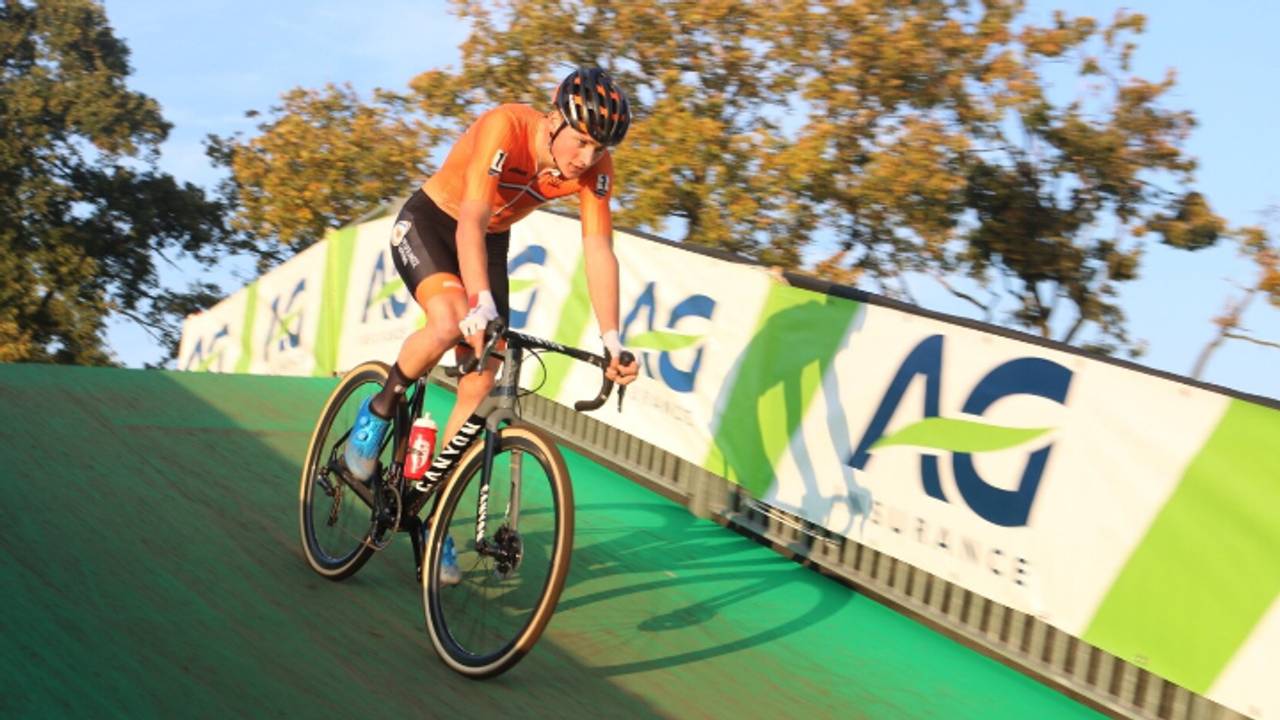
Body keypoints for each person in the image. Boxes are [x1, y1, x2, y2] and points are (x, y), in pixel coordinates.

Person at [343, 66, 641, 498]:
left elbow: (598, 250)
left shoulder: (595, 171)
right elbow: (472, 219)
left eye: (598, 149)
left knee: (484, 375)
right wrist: (480, 302)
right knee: (450, 321)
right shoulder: (507, 126)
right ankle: (378, 410)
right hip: (435, 223)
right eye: (581, 141)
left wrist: (613, 339)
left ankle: (431, 500)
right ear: (555, 119)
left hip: (491, 242)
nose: (585, 159)